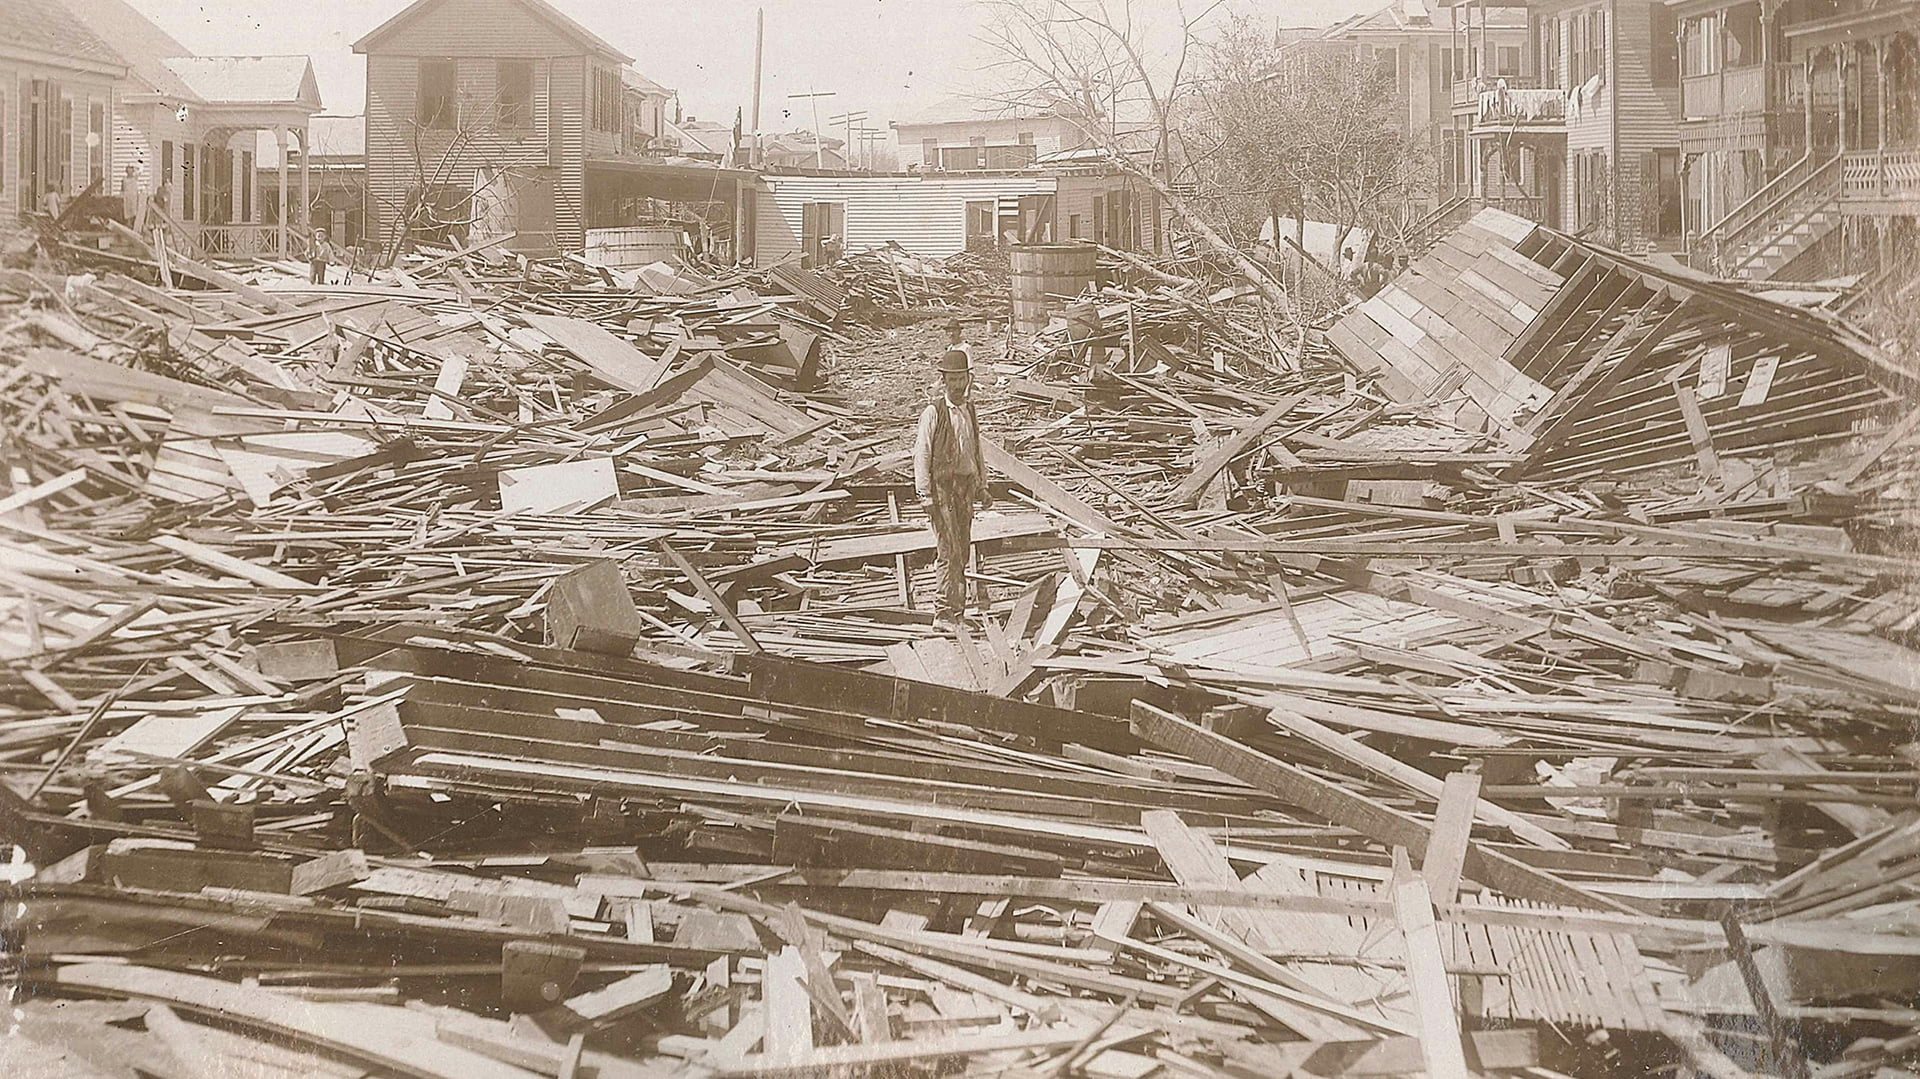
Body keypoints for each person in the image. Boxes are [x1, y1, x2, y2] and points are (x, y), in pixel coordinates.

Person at [912, 347, 990, 628]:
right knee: (948, 550)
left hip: (965, 489)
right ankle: (943, 613)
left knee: (963, 551)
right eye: (952, 379)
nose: (958, 385)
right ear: (943, 381)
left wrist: (982, 485)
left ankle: (957, 613)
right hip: (943, 491)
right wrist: (924, 494)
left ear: (968, 379)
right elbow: (922, 453)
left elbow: (975, 450)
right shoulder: (933, 412)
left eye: (962, 379)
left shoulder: (969, 410)